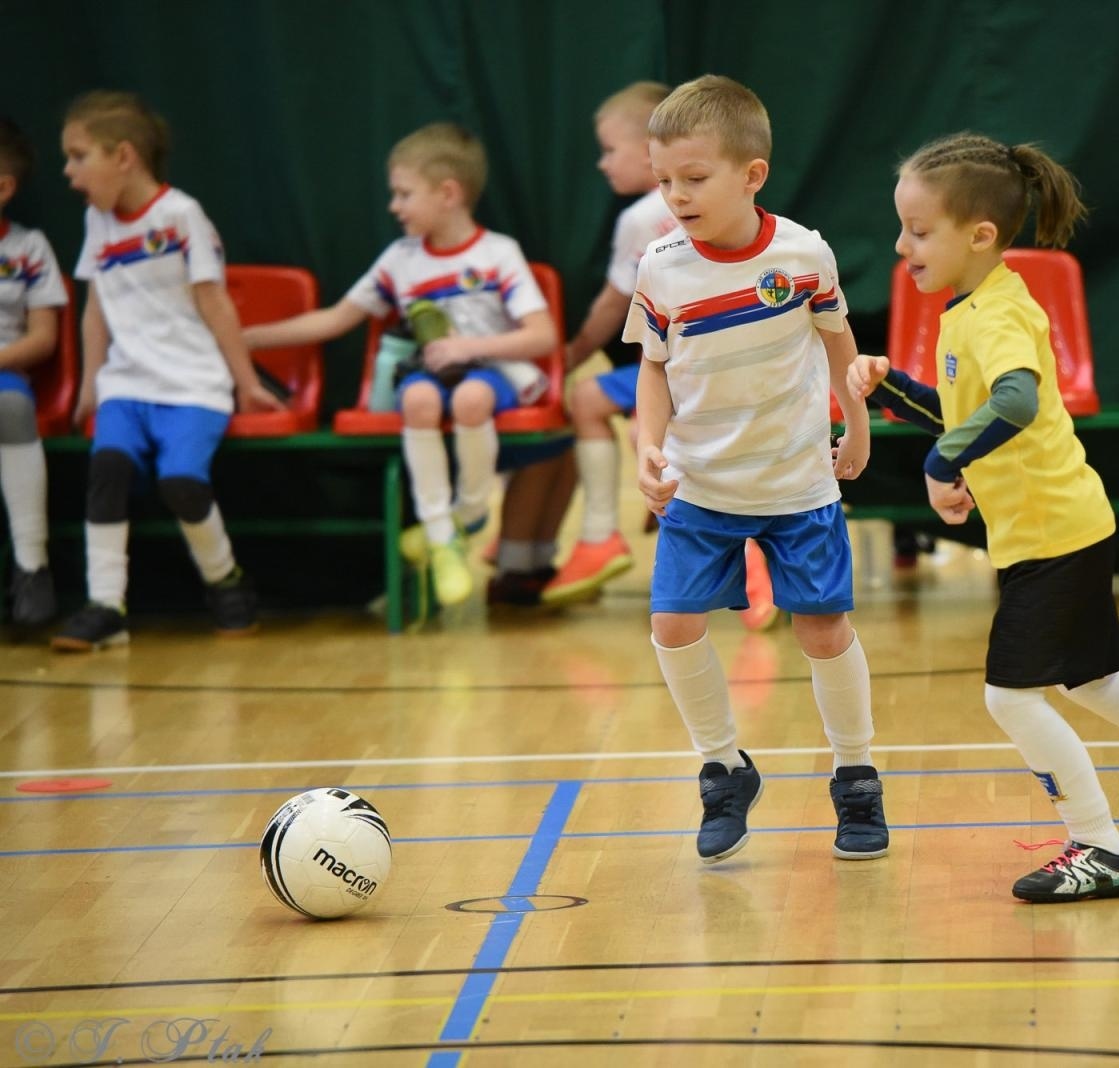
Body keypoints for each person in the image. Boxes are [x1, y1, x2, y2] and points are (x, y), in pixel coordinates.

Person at [848, 132, 1119, 903]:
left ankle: (1099, 846)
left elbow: (1015, 401)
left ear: (980, 236)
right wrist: (893, 388)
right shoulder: (969, 307)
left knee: (1011, 697)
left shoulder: (995, 314)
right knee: (1095, 682)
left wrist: (943, 463)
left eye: (917, 230)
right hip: (1056, 525)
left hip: (1053, 532)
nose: (900, 244)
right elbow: (968, 412)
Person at [629, 75, 885, 864]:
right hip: (702, 485)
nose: (676, 194)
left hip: (796, 483)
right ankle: (723, 767)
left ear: (753, 175)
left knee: (822, 630)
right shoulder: (660, 268)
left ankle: (856, 777)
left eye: (694, 178)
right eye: (663, 178)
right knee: (672, 625)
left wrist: (858, 423)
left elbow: (840, 344)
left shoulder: (804, 254)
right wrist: (648, 445)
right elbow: (653, 368)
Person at [243, 123, 557, 607]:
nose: (394, 206)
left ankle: (468, 516)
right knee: (416, 397)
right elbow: (334, 320)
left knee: (473, 398)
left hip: (491, 374)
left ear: (448, 193)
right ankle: (439, 534)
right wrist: (242, 339)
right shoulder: (400, 259)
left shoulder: (498, 253)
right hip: (430, 376)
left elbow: (542, 335)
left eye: (404, 194)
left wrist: (467, 349)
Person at [539, 81, 778, 629]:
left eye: (611, 149)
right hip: (746, 369)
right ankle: (750, 553)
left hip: (689, 366)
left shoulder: (640, 220)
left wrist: (573, 352)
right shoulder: (738, 206)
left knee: (587, 398)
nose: (602, 163)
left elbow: (611, 304)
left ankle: (601, 536)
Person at [54, 92, 283, 651]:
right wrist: (88, 385)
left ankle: (224, 579)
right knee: (107, 467)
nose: (69, 172)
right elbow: (96, 309)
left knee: (180, 481)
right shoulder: (96, 221)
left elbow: (216, 304)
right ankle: (106, 605)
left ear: (124, 156)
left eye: (79, 156)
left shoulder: (180, 215)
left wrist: (247, 383)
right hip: (125, 384)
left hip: (192, 383)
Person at [0, 117, 67, 626]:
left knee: (11, 405)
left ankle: (31, 566)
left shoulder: (29, 248)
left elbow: (43, 339)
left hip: (4, 376)